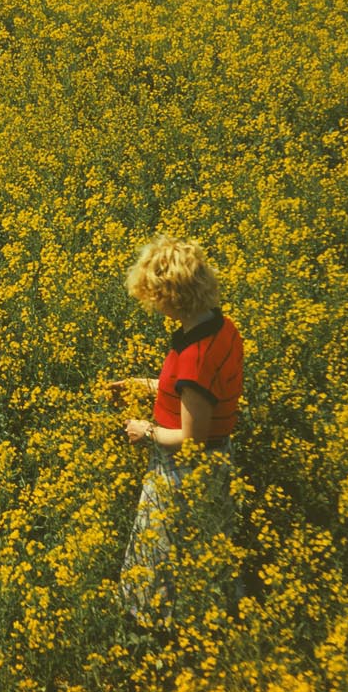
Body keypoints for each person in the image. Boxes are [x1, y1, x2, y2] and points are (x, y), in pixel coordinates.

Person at [107, 234, 244, 628]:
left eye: (155, 296)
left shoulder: (193, 357)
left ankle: (159, 631)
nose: (153, 305)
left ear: (172, 296)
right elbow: (196, 391)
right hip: (216, 459)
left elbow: (191, 437)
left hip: (184, 472)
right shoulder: (221, 328)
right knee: (205, 545)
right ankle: (211, 617)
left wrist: (144, 429)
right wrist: (144, 385)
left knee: (165, 552)